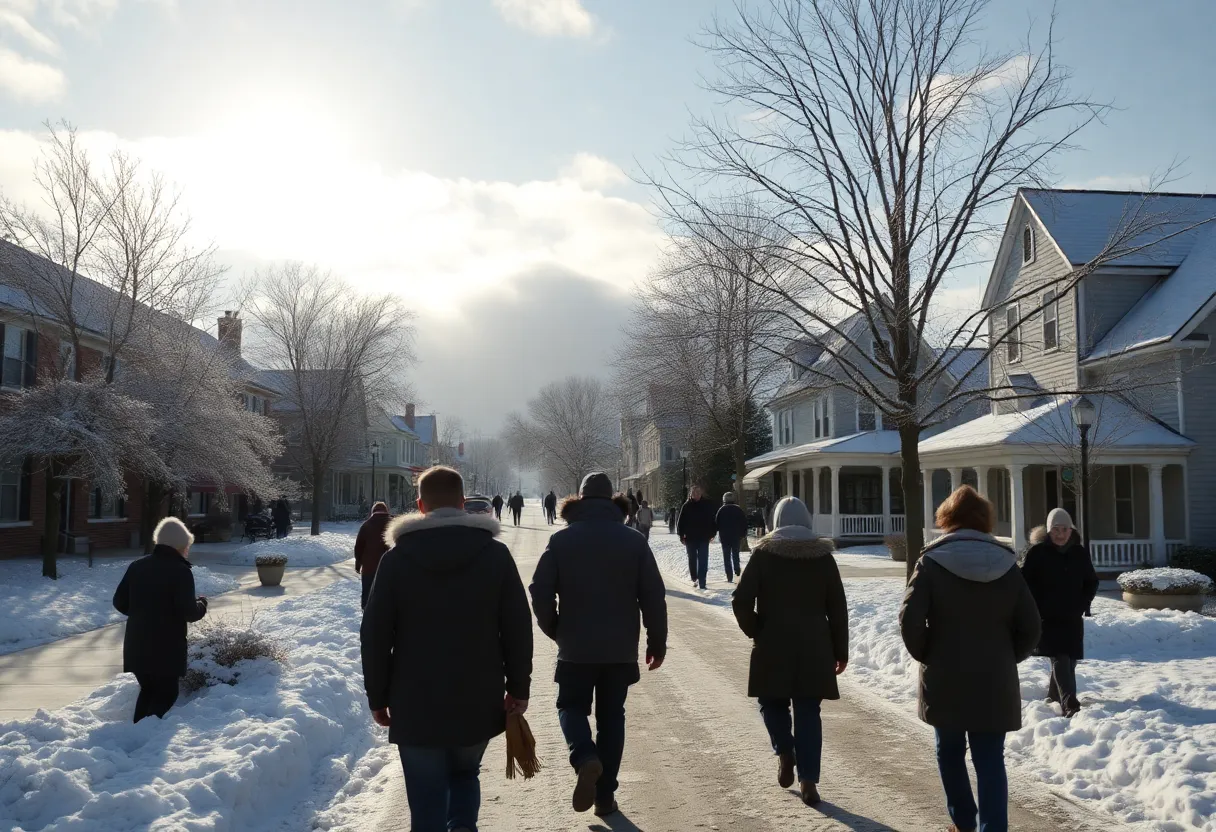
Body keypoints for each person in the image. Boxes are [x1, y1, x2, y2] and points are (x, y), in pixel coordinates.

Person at [361, 466, 533, 832]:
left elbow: (375, 633)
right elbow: (517, 626)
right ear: (461, 501)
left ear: (420, 505)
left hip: (414, 697)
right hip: (478, 694)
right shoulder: (495, 555)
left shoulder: (396, 560)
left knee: (425, 797)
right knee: (465, 774)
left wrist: (377, 695)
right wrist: (519, 687)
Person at [899, 485, 1041, 832]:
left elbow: (910, 619)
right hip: (995, 676)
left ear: (946, 518)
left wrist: (927, 653)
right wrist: (1009, 656)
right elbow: (1032, 625)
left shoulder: (931, 562)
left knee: (948, 751)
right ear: (984, 520)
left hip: (945, 674)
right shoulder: (1008, 564)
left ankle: (963, 822)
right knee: (990, 758)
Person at [530, 473, 668, 818]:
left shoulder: (562, 541)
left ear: (579, 500)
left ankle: (584, 757)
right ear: (613, 502)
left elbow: (540, 591)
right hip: (619, 648)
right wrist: (656, 641)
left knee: (570, 706)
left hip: (575, 645)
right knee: (612, 718)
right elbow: (652, 595)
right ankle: (605, 797)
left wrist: (555, 628)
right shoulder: (634, 541)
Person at [732, 497, 847, 806]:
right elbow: (837, 608)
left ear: (775, 522)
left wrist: (757, 629)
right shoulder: (823, 559)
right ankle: (809, 781)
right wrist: (841, 650)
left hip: (773, 644)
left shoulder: (763, 555)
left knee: (771, 703)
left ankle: (784, 751)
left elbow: (741, 600)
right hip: (815, 646)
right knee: (809, 711)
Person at [112, 517, 209, 722]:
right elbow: (189, 613)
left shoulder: (137, 566)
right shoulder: (180, 571)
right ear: (180, 546)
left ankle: (135, 735)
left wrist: (143, 613)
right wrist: (202, 604)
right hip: (166, 647)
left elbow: (119, 602)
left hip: (136, 644)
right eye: (186, 546)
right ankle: (146, 738)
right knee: (166, 693)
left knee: (148, 690)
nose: (187, 550)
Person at [1021, 508, 1098, 719]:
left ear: (1071, 530)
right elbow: (1024, 584)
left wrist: (1083, 603)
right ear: (1048, 531)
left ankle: (1053, 695)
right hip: (1048, 617)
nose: (1060, 534)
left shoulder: (1079, 553)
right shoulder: (1037, 554)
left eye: (1064, 529)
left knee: (1069, 659)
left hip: (1072, 617)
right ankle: (1069, 704)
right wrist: (1035, 606)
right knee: (1061, 657)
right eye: (1055, 529)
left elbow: (1091, 581)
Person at [677, 486, 718, 589]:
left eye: (698, 493)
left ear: (701, 494)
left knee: (703, 559)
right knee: (692, 559)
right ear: (691, 494)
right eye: (694, 493)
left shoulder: (707, 505)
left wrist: (713, 533)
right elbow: (681, 522)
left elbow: (712, 520)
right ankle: (694, 577)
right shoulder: (686, 506)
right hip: (690, 538)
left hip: (704, 537)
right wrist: (681, 535)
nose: (696, 495)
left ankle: (702, 581)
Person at [354, 501, 392, 609]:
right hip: (389, 568)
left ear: (372, 512)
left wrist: (358, 563)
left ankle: (366, 612)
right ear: (386, 511)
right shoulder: (393, 524)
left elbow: (359, 547)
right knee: (387, 595)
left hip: (369, 567)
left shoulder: (366, 526)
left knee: (368, 592)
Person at [715, 491, 749, 583]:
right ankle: (737, 569)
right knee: (735, 554)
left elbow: (716, 524)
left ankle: (729, 575)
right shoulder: (738, 509)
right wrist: (743, 534)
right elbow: (744, 522)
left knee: (726, 556)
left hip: (724, 537)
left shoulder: (721, 510)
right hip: (736, 536)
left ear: (724, 499)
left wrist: (716, 532)